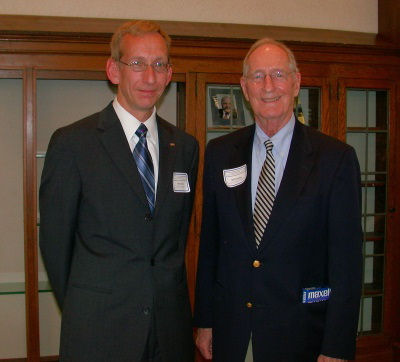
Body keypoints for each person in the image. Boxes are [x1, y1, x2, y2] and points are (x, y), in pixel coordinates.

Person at [39, 20, 198, 362]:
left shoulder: (185, 147)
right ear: (114, 70)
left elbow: (176, 239)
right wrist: (89, 306)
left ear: (170, 74)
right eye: (137, 64)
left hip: (170, 333)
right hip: (99, 331)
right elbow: (55, 244)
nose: (150, 76)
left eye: (159, 65)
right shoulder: (72, 144)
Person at [194, 38, 362, 362]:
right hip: (233, 333)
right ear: (244, 87)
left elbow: (347, 264)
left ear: (296, 82)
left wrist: (336, 346)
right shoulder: (220, 154)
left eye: (278, 74)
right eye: (257, 76)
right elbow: (210, 246)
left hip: (301, 337)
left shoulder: (334, 159)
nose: (268, 86)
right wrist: (204, 320)